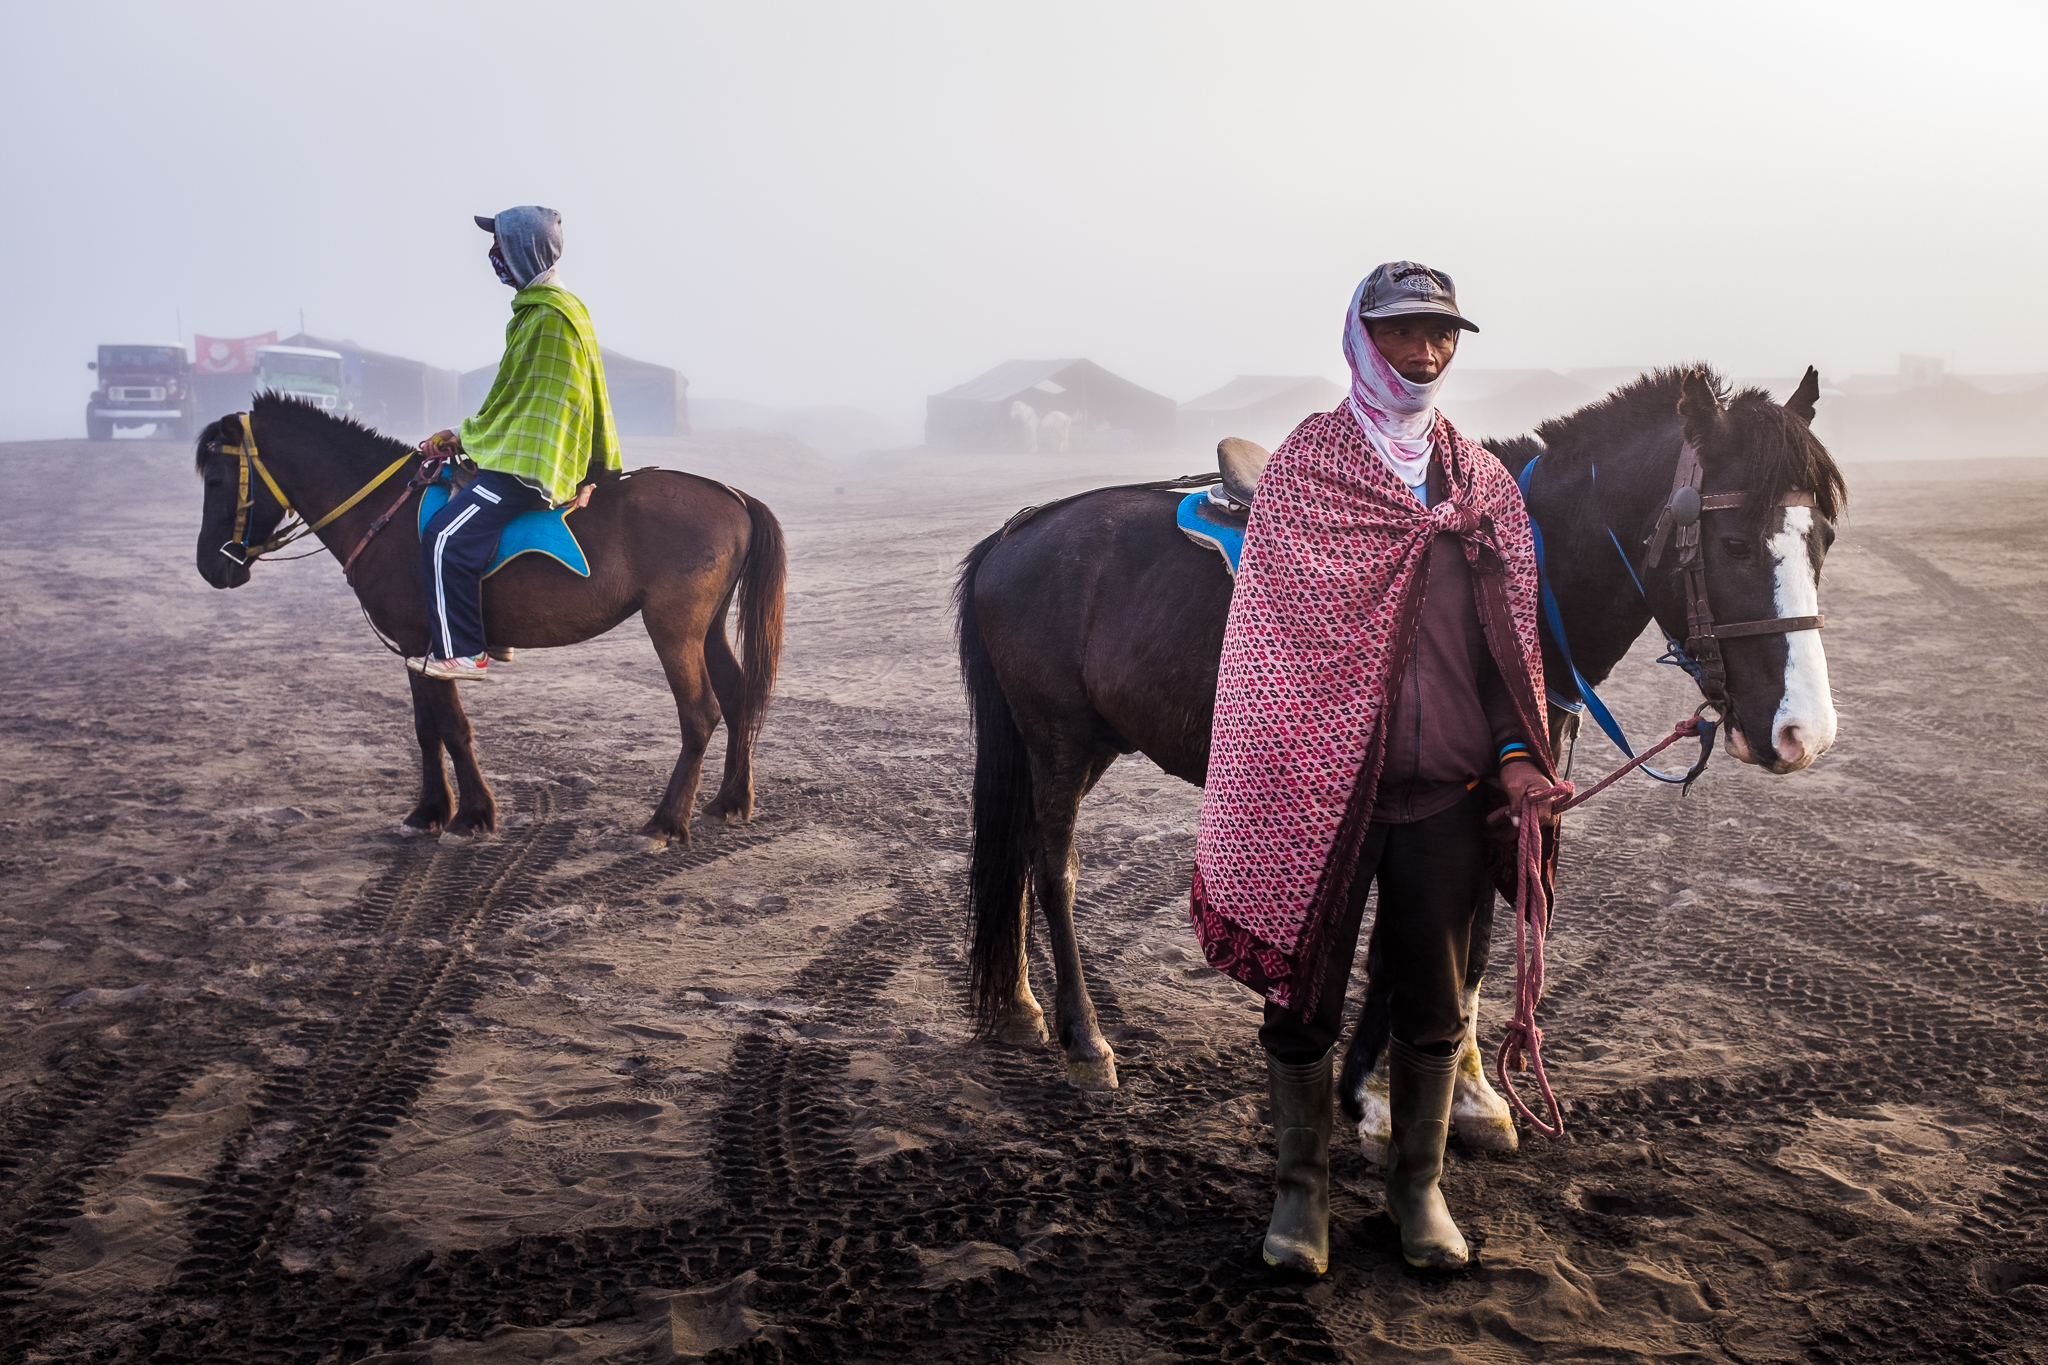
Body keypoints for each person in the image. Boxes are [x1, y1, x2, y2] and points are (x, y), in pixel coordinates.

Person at [1189, 261, 1559, 1275]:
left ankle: (1417, 1190)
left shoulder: (1476, 484)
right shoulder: (1307, 466)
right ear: (1360, 338)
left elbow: (1502, 649)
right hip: (1315, 792)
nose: (1425, 352)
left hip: (1444, 791)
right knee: (1299, 997)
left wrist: (1519, 755)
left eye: (1441, 334)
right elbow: (1270, 640)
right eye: (1402, 332)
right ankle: (1299, 1193)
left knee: (1435, 1004)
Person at [407, 206, 620, 682]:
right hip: (520, 450)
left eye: (500, 245)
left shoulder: (548, 318)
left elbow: (530, 409)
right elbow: (513, 400)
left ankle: (464, 652)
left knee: (443, 537)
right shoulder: (552, 310)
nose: (493, 254)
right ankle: (492, 630)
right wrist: (461, 436)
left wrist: (470, 438)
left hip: (527, 465)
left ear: (523, 250)